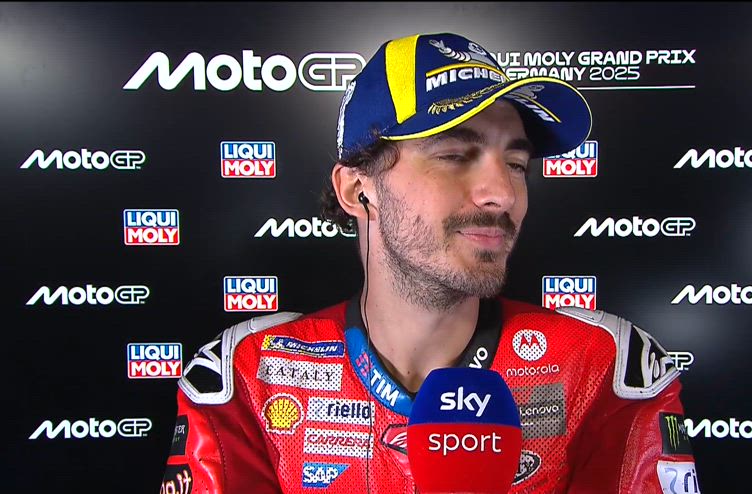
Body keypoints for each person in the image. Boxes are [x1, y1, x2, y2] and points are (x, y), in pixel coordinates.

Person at [160, 32, 698, 494]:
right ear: (357, 189)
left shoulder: (606, 368)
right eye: (454, 155)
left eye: (516, 163)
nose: (502, 193)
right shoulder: (247, 376)